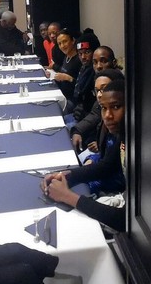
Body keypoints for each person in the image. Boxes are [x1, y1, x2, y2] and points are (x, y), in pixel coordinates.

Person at [41, 79, 126, 232]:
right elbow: (107, 166)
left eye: (116, 107)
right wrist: (65, 175)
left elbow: (124, 220)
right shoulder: (121, 135)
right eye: (103, 108)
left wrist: (67, 196)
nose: (107, 115)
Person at [71, 68, 124, 152]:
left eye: (104, 89)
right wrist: (77, 131)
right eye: (97, 90)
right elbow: (93, 117)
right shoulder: (99, 105)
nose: (99, 95)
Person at [51, 29, 81, 101]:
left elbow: (82, 87)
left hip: (72, 100)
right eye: (59, 44)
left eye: (65, 41)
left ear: (73, 41)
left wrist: (68, 78)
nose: (62, 46)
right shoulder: (66, 57)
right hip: (62, 95)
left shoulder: (79, 59)